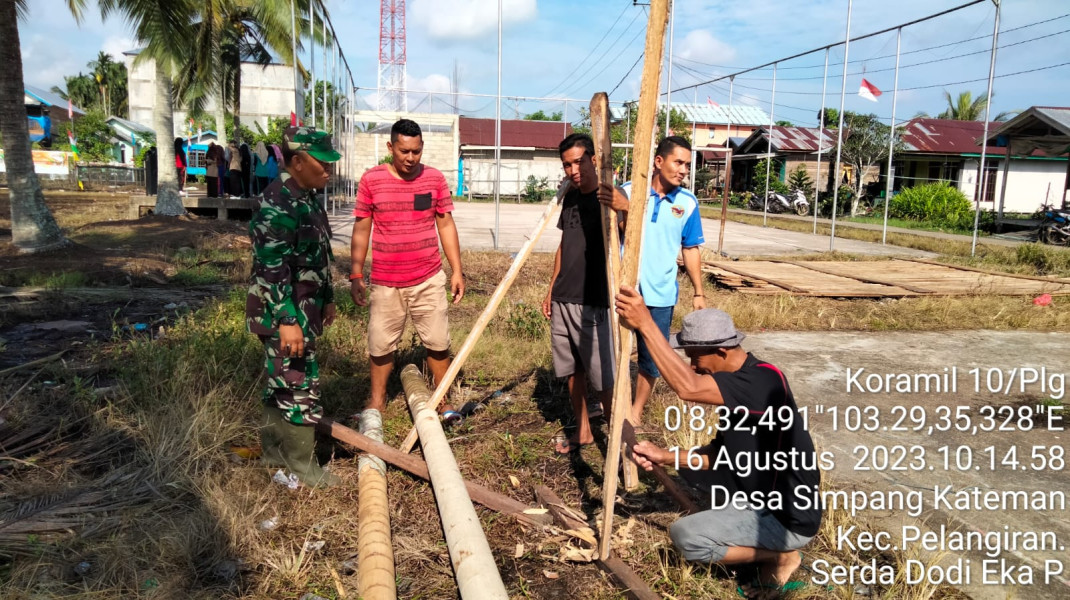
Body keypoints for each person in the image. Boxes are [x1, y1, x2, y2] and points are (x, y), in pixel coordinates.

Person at [614, 287, 822, 599]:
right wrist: (664, 456)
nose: (694, 366)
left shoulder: (763, 380)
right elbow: (718, 455)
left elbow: (688, 387)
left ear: (722, 351)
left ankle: (782, 554)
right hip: (761, 498)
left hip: (788, 517)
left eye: (695, 358)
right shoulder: (738, 392)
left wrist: (646, 323)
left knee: (686, 536)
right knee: (700, 481)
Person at [350, 118, 465, 427]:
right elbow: (362, 227)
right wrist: (356, 273)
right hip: (387, 282)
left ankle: (443, 398)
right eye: (404, 151)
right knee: (380, 345)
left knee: (438, 342)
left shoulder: (434, 179)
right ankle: (377, 400)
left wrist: (457, 270)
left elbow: (445, 224)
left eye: (416, 151)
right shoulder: (372, 180)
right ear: (391, 147)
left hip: (428, 277)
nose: (411, 159)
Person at [246, 126, 341, 488]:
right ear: (298, 162)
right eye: (322, 162)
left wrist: (328, 298)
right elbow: (271, 268)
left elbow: (318, 256)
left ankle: (273, 457)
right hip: (281, 310)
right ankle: (302, 466)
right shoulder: (277, 202)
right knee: (300, 383)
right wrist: (287, 320)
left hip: (304, 306)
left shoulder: (306, 196)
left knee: (279, 382)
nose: (329, 169)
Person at [599, 135, 706, 426]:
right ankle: (608, 402)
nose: (684, 170)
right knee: (611, 350)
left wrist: (699, 291)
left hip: (660, 293)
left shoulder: (687, 203)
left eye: (687, 164)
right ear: (659, 162)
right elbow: (615, 231)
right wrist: (625, 207)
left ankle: (636, 410)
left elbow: (691, 248)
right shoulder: (629, 191)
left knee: (653, 355)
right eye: (678, 162)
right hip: (623, 289)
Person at [541, 133, 614, 454]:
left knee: (605, 379)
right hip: (563, 297)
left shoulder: (608, 197)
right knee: (572, 372)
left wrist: (622, 204)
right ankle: (584, 431)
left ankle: (620, 444)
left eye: (579, 162)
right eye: (567, 164)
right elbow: (563, 246)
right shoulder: (570, 196)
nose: (573, 170)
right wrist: (550, 288)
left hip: (593, 300)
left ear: (594, 160)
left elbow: (627, 227)